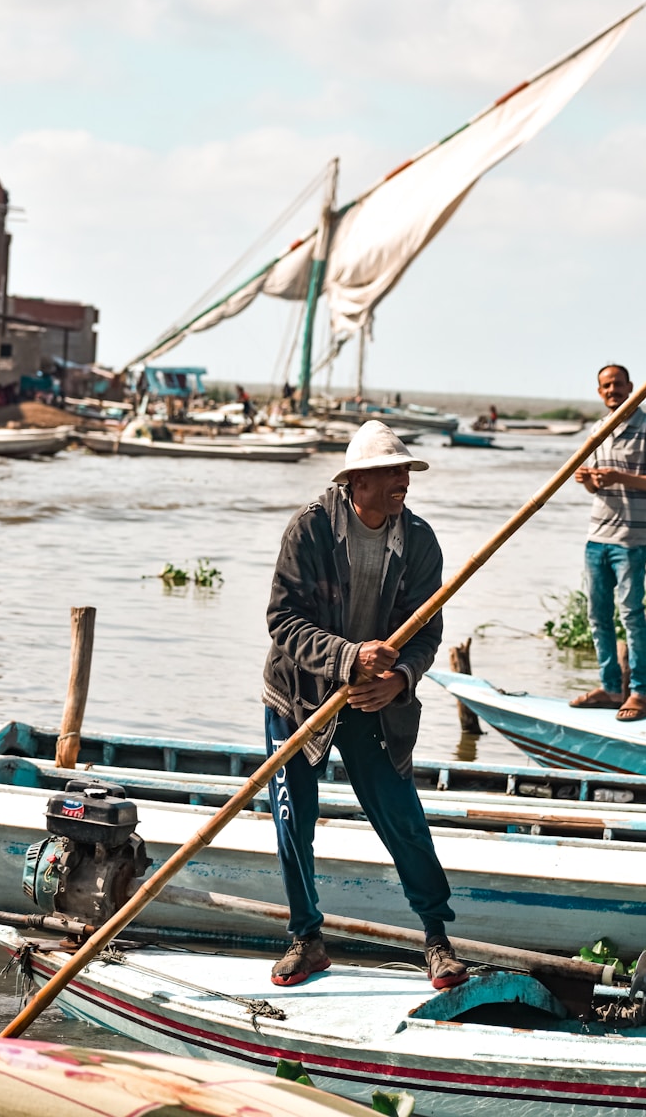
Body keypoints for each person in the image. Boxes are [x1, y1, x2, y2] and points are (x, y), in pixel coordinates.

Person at [262, 420, 468, 990]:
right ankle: (306, 938)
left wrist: (400, 679)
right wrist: (349, 655)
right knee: (292, 818)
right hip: (299, 696)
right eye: (391, 472)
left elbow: (426, 632)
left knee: (401, 816)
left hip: (373, 701)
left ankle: (436, 940)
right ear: (359, 481)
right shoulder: (310, 531)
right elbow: (283, 622)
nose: (403, 481)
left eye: (405, 471)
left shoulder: (419, 541)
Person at [571, 364, 646, 721]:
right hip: (596, 535)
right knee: (597, 615)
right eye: (605, 386)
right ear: (599, 392)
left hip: (631, 538)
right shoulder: (598, 430)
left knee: (631, 615)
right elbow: (597, 486)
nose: (611, 390)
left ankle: (640, 694)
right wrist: (588, 480)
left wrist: (620, 476)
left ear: (630, 387)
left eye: (617, 384)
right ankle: (612, 688)